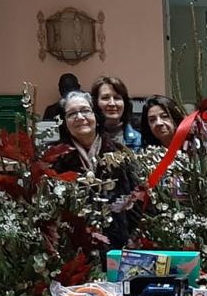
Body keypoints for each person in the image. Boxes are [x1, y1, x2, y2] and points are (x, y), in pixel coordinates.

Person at [50, 90, 141, 250]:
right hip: (74, 248)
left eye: (85, 110)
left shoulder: (121, 153)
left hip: (120, 245)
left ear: (96, 117)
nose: (79, 117)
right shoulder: (54, 159)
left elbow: (138, 199)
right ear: (64, 122)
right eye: (71, 114)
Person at [91, 76, 141, 151]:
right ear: (95, 103)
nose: (112, 103)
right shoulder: (88, 138)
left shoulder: (139, 139)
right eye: (105, 98)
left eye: (117, 98)